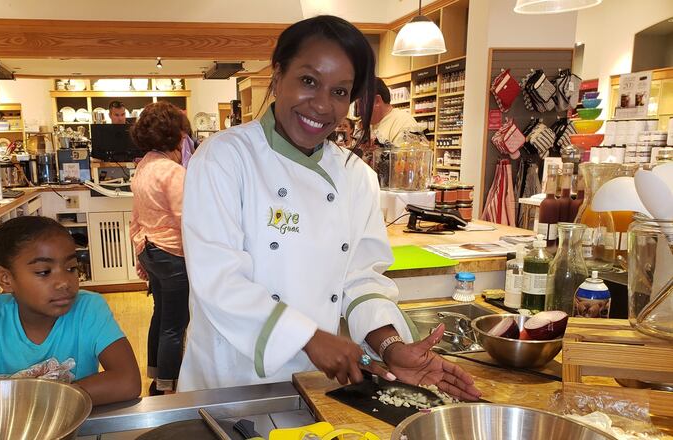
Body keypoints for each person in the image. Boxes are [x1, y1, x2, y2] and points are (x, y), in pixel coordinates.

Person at [178, 15, 481, 401]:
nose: (322, 105)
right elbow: (219, 280)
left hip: (314, 382)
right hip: (230, 380)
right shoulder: (224, 158)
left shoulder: (356, 176)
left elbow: (361, 277)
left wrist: (391, 346)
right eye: (308, 81)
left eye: (340, 91)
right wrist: (309, 338)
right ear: (278, 75)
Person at [0, 216, 141, 406]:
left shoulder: (88, 309)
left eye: (71, 268)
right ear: (5, 278)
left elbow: (127, 381)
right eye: (44, 272)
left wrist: (37, 401)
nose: (64, 282)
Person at [129, 101, 190, 395]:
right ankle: (169, 387)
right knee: (175, 324)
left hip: (149, 248)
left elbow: (136, 216)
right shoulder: (172, 171)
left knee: (161, 314)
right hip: (172, 253)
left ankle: (156, 376)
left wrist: (139, 256)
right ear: (176, 134)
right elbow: (186, 220)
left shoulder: (144, 166)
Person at [369, 78, 420, 145]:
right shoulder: (370, 125)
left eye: (361, 105)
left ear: (377, 101)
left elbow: (410, 151)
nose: (358, 111)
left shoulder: (404, 123)